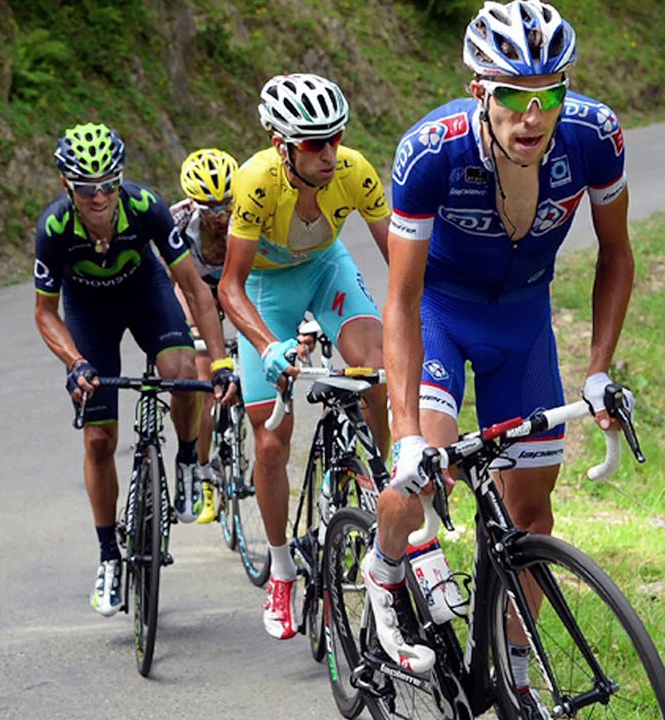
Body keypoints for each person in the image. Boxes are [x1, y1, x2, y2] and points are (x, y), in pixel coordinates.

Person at [373, 0, 635, 713]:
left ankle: (516, 668)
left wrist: (600, 369)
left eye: (548, 94)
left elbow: (617, 253)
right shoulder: (431, 152)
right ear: (479, 94)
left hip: (523, 322)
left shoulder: (594, 136)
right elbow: (399, 300)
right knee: (420, 478)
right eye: (514, 97)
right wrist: (401, 435)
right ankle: (385, 572)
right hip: (441, 317)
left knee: (532, 517)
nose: (533, 116)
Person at [33, 123, 238, 617]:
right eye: (87, 187)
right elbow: (45, 312)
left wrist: (224, 362)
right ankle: (109, 557)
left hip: (146, 295)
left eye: (108, 183)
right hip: (90, 314)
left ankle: (188, 458)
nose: (100, 196)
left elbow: (194, 290)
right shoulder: (55, 229)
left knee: (181, 367)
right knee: (99, 441)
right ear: (68, 186)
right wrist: (75, 362)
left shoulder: (145, 207)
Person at [217, 73, 391, 640]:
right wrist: (267, 346)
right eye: (314, 144)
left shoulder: (354, 170)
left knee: (377, 373)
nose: (329, 152)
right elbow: (230, 286)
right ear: (281, 145)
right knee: (271, 438)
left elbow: (404, 263)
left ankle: (378, 491)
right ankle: (283, 567)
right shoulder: (255, 182)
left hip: (326, 270)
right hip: (267, 289)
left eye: (335, 138)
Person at [167, 147, 239, 525]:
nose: (221, 216)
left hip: (235, 285)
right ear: (194, 204)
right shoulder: (176, 221)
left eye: (226, 204)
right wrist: (186, 330)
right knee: (204, 380)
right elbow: (170, 282)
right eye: (210, 209)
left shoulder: (247, 210)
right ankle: (204, 470)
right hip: (193, 289)